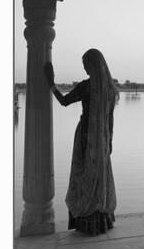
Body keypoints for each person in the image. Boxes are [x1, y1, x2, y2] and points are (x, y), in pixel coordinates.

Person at [44, 49, 118, 236]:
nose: (84, 68)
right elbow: (110, 118)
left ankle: (86, 221)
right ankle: (101, 221)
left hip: (86, 137)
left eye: (85, 64)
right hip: (102, 139)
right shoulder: (109, 88)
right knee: (98, 178)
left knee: (83, 176)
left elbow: (64, 101)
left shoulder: (86, 87)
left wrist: (51, 83)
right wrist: (109, 142)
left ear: (93, 65)